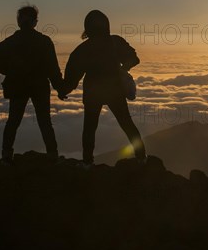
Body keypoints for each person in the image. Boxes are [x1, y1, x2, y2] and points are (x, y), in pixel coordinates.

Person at [62, 10, 146, 167]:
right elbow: (134, 58)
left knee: (89, 128)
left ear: (87, 28)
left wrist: (62, 91)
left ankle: (87, 163)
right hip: (115, 90)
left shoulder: (82, 50)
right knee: (127, 124)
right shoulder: (115, 42)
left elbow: (72, 79)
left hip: (93, 93)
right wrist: (123, 69)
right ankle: (141, 158)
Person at [0, 5, 65, 165]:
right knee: (44, 122)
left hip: (18, 86)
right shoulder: (44, 42)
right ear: (35, 22)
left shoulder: (11, 42)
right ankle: (52, 155)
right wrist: (60, 88)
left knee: (13, 121)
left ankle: (6, 156)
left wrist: (9, 71)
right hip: (39, 87)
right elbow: (53, 68)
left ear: (18, 22)